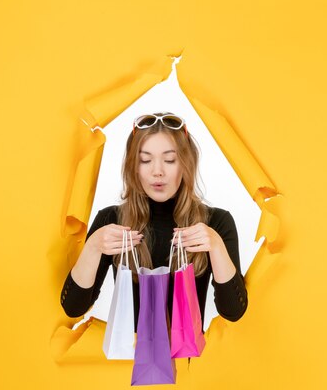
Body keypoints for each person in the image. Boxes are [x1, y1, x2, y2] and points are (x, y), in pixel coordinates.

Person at [60, 113, 248, 329]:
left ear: (186, 163)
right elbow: (73, 308)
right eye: (145, 160)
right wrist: (92, 246)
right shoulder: (111, 220)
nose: (157, 171)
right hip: (128, 360)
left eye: (170, 160)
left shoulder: (215, 222)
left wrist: (215, 245)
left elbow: (234, 311)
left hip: (188, 362)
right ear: (133, 167)